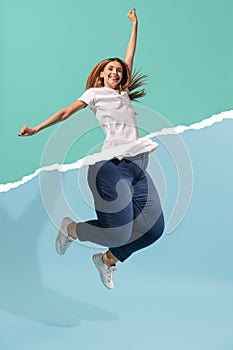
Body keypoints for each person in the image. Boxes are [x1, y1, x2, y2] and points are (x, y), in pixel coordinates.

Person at [18, 9, 165, 289]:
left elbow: (129, 55)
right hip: (111, 167)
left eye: (118, 70)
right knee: (119, 232)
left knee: (154, 228)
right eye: (109, 69)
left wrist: (135, 25)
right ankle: (71, 228)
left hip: (137, 166)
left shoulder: (123, 93)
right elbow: (65, 113)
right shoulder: (94, 94)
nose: (115, 71)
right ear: (100, 75)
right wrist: (37, 128)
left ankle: (107, 260)